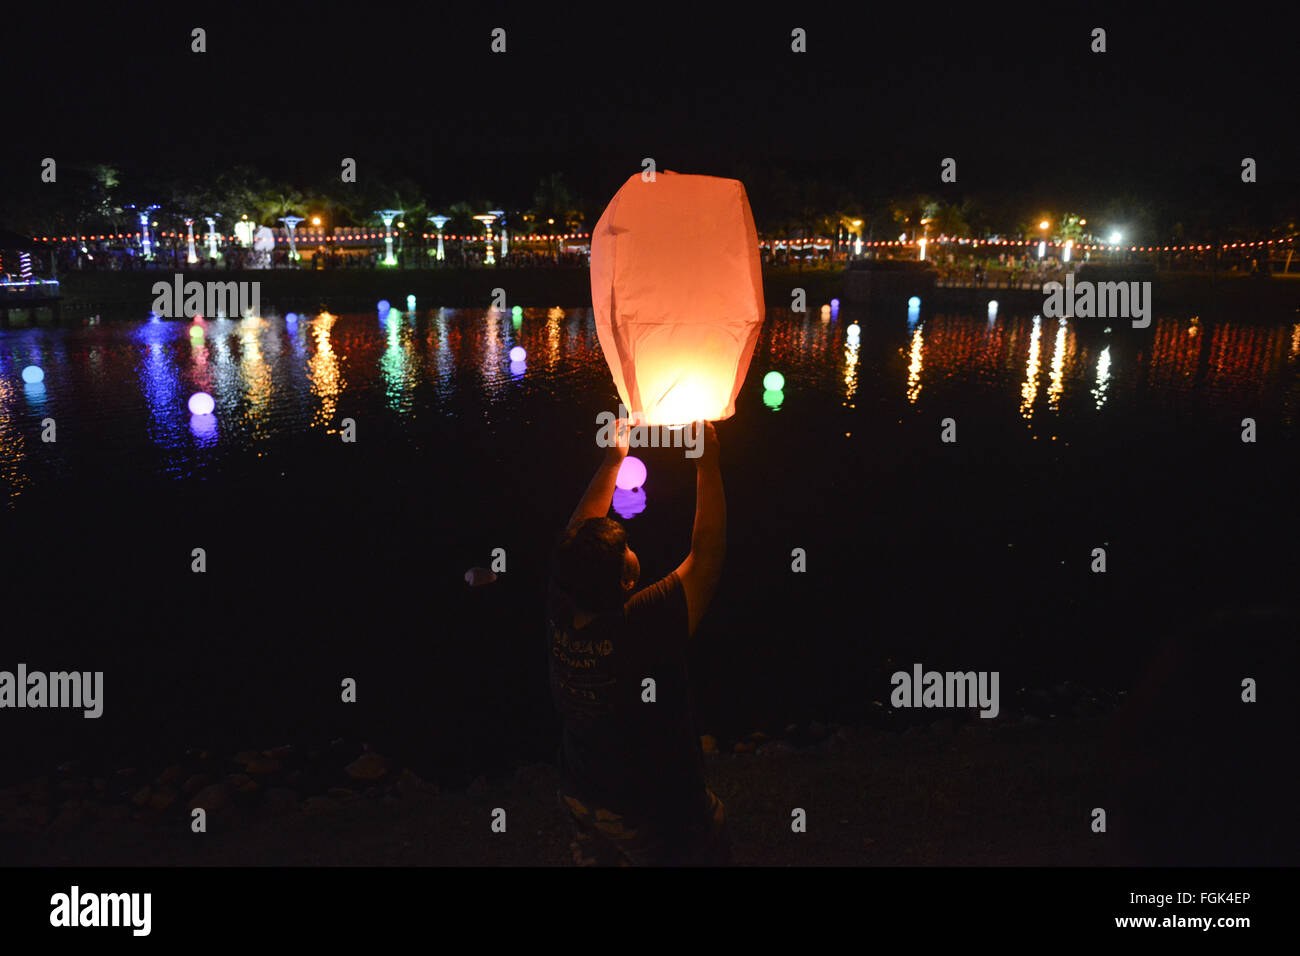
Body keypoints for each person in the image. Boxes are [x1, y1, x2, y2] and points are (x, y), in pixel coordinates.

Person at [547, 417, 728, 866]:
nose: (631, 546)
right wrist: (708, 466)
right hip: (649, 808)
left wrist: (613, 459)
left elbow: (576, 534)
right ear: (628, 579)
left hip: (582, 790)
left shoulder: (560, 610)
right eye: (625, 549)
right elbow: (706, 553)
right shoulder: (643, 625)